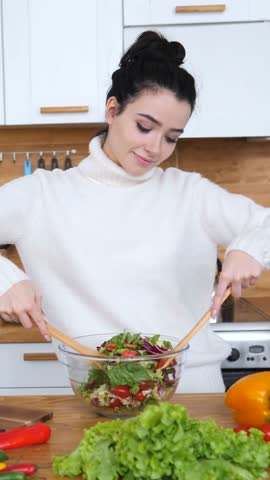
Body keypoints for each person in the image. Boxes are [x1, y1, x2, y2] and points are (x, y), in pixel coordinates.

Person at [0, 31, 269, 393]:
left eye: (172, 137)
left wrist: (250, 246)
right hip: (98, 396)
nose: (155, 148)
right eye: (144, 127)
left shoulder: (189, 193)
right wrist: (6, 281)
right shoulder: (42, 195)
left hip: (193, 393)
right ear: (112, 110)